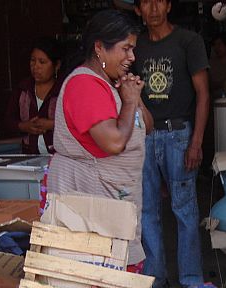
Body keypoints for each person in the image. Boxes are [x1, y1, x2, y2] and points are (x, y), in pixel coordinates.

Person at [47, 10, 152, 271]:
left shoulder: (112, 84)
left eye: (133, 49)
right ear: (99, 48)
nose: (132, 57)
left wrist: (134, 97)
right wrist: (129, 102)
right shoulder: (84, 85)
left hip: (112, 198)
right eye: (125, 49)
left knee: (115, 274)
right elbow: (114, 143)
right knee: (97, 276)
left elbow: (148, 126)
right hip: (89, 201)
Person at [133, 0, 209, 288]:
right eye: (146, 2)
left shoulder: (188, 41)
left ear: (168, 5)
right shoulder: (135, 46)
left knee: (185, 210)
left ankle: (191, 281)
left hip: (179, 135)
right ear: (138, 9)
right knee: (146, 210)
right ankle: (154, 277)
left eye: (159, 1)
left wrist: (196, 142)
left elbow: (203, 94)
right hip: (143, 136)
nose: (153, 8)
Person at [4, 37, 63, 155]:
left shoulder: (64, 90)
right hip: (29, 155)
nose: (36, 67)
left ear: (57, 65)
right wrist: (24, 126)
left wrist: (52, 124)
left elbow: (78, 123)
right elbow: (8, 121)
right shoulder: (23, 89)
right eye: (33, 61)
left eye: (42, 62)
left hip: (60, 157)